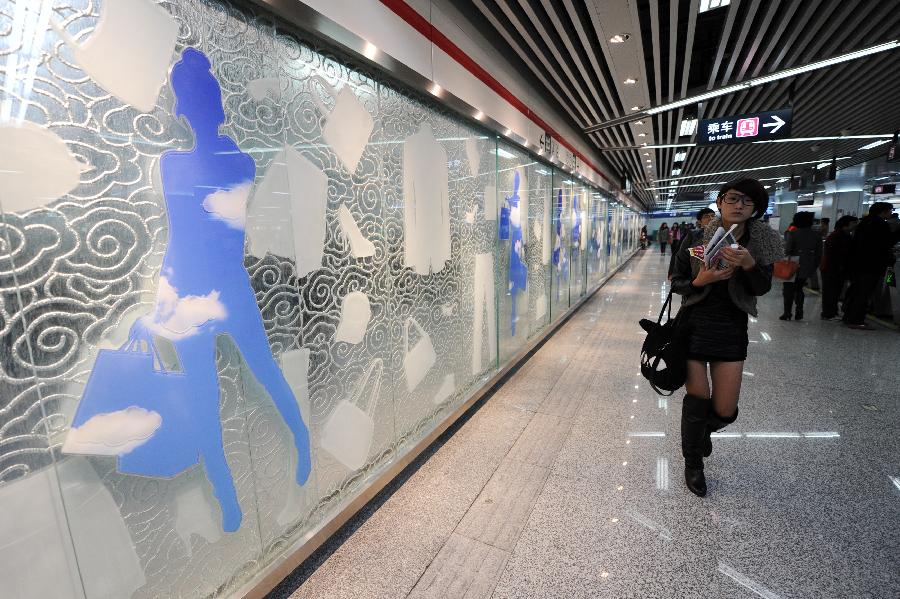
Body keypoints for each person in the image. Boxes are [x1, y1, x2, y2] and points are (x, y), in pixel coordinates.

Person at [671, 178, 782, 497]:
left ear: (755, 210)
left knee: (725, 410)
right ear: (719, 202)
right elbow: (676, 281)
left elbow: (762, 288)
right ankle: (693, 464)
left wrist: (748, 264)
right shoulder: (694, 237)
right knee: (697, 398)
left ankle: (702, 431)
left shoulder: (761, 243)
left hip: (732, 328)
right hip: (693, 324)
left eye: (748, 202)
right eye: (733, 198)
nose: (738, 205)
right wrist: (700, 279)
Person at [843, 202, 898, 329]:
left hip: (858, 264)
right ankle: (856, 320)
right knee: (864, 293)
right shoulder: (880, 224)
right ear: (882, 211)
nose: (890, 213)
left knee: (856, 291)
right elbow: (887, 242)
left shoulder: (864, 223)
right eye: (889, 210)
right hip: (871, 265)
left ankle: (849, 317)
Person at [779, 212, 822, 321]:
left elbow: (787, 250)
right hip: (807, 265)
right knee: (799, 289)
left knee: (788, 290)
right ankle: (799, 312)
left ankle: (787, 313)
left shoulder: (792, 233)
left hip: (792, 265)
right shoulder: (816, 235)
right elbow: (819, 253)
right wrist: (813, 265)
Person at [820, 215, 858, 320]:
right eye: (853, 223)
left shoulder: (845, 235)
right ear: (846, 225)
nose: (855, 225)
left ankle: (832, 312)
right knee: (830, 292)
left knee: (835, 291)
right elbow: (833, 255)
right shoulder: (836, 236)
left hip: (836, 268)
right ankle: (828, 314)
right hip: (831, 269)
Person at [669, 208, 715, 278]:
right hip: (695, 275)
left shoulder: (720, 233)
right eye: (706, 216)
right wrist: (672, 273)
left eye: (713, 216)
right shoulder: (692, 234)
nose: (711, 218)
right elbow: (678, 254)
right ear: (699, 221)